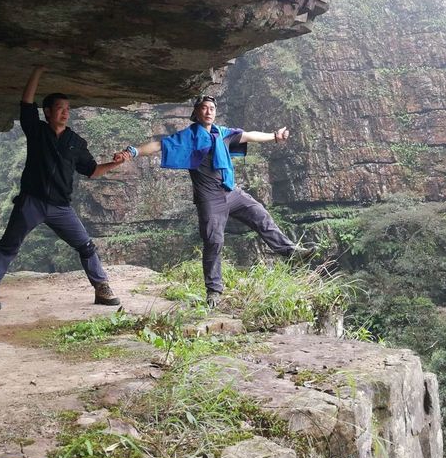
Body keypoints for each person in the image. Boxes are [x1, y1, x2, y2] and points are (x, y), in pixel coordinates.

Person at [114, 95, 313, 308]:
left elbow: (249, 135)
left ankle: (291, 253)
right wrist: (133, 151)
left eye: (212, 108)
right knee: (213, 242)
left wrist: (275, 136)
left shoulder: (222, 133)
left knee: (260, 215)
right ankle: (214, 291)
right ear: (196, 112)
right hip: (210, 199)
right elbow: (159, 145)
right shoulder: (189, 137)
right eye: (204, 108)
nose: (209, 112)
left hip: (231, 192)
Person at [0, 66, 126, 311]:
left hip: (61, 207)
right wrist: (38, 70)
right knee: (8, 245)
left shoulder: (76, 142)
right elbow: (26, 103)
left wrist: (115, 163)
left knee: (86, 246)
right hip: (31, 202)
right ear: (47, 112)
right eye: (60, 108)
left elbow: (92, 171)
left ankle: (102, 288)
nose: (65, 113)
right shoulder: (36, 131)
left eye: (68, 109)